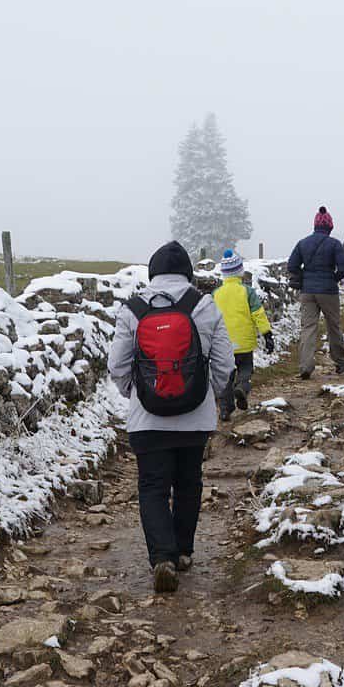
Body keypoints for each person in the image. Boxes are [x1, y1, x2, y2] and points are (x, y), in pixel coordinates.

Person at [108, 241, 235, 593]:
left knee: (152, 485)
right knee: (188, 482)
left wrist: (134, 393)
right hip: (195, 417)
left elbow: (117, 366)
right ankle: (182, 552)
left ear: (152, 273)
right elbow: (224, 364)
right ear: (188, 274)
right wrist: (212, 394)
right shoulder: (204, 305)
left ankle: (162, 557)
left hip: (147, 419)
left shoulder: (132, 309)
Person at [287, 206, 344, 380]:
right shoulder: (334, 244)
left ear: (315, 225)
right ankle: (340, 361)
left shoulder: (302, 243)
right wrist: (334, 278)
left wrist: (304, 278)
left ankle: (305, 366)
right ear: (330, 227)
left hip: (308, 292)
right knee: (333, 326)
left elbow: (292, 266)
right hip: (328, 291)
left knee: (308, 327)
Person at [212, 249, 275, 421]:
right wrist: (267, 334)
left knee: (226, 377)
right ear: (239, 271)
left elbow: (211, 319)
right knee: (245, 369)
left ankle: (225, 409)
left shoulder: (216, 294)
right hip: (245, 343)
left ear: (224, 273)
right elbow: (258, 314)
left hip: (224, 344)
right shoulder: (247, 292)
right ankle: (242, 387)